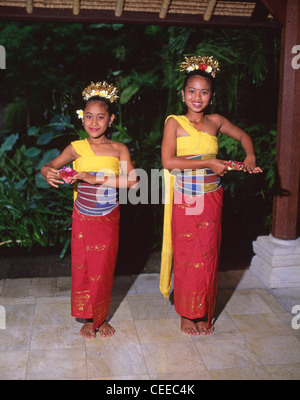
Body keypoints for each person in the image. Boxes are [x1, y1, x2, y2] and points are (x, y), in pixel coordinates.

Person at [160, 56, 262, 336]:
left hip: (212, 197)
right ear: (183, 95)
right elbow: (168, 162)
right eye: (191, 91)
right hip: (186, 198)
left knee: (208, 255)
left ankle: (204, 311)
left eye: (204, 91)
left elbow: (243, 137)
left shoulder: (216, 121)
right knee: (186, 255)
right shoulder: (174, 123)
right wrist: (208, 162)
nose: (197, 96)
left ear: (212, 96)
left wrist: (250, 155)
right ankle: (186, 313)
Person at [41, 81, 138, 339]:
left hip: (108, 216)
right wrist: (46, 171)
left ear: (111, 119)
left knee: (103, 266)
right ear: (82, 118)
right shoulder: (76, 147)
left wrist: (96, 179)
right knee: (83, 266)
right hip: (83, 215)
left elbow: (133, 181)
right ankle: (88, 316)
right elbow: (51, 164)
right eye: (89, 116)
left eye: (101, 116)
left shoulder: (119, 149)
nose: (94, 122)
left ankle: (101, 317)